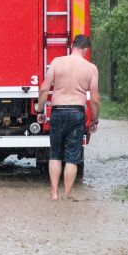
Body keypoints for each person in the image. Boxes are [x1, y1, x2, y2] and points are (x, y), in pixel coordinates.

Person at [40, 34, 100, 200]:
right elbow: (94, 99)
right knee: (72, 157)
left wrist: (40, 111)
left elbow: (44, 89)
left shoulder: (57, 63)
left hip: (57, 111)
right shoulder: (91, 68)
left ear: (72, 46)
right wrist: (94, 120)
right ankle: (67, 194)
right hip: (76, 113)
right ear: (86, 49)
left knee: (55, 154)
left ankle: (54, 193)